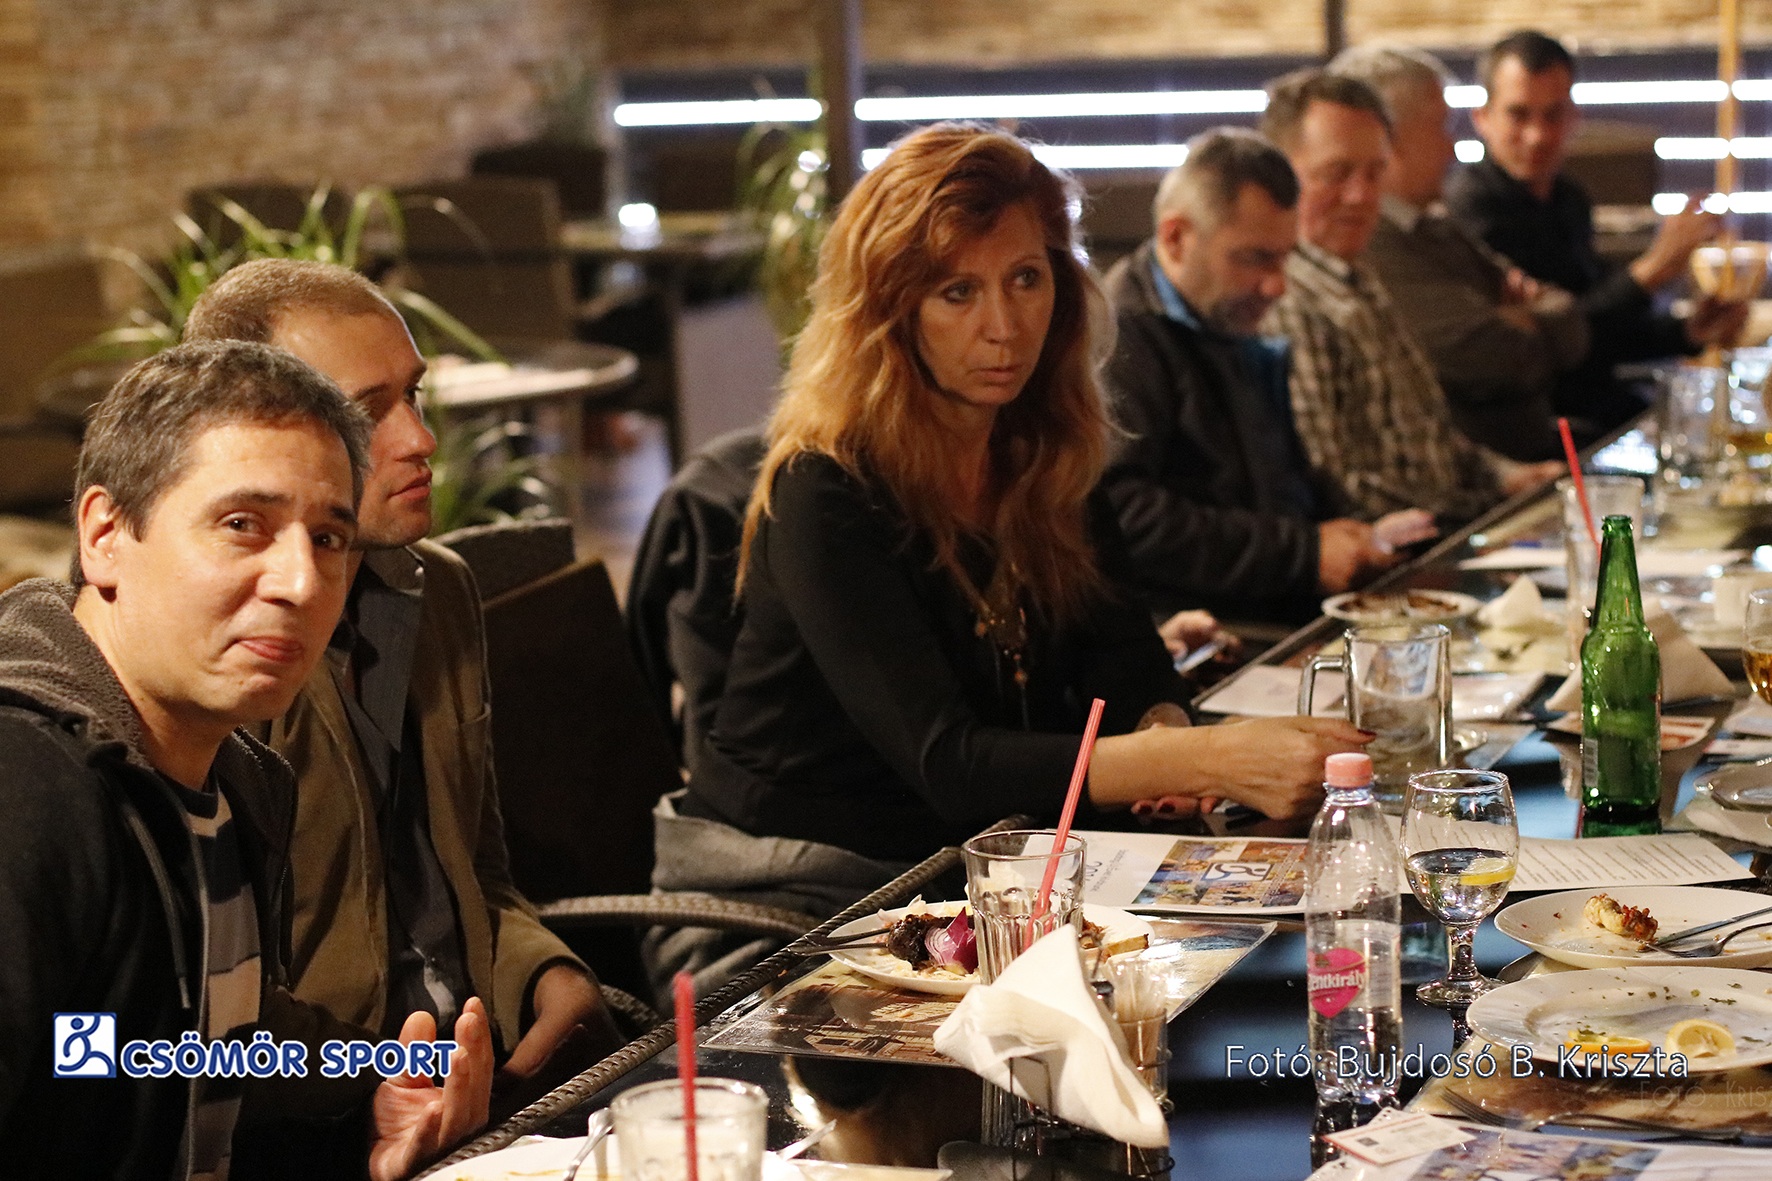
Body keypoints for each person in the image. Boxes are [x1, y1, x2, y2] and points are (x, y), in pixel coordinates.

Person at [652, 122, 1369, 989]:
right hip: (797, 903)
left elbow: (1129, 662)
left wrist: (1166, 734)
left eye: (1026, 278)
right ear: (890, 314)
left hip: (982, 879)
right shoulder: (825, 484)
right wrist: (1209, 759)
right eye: (958, 291)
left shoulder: (1042, 451)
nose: (1004, 326)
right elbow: (951, 763)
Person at [0, 341, 491, 1179]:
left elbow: (128, 1050)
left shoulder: (233, 779)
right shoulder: (32, 782)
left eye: (329, 536)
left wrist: (364, 1100)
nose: (302, 581)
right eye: (242, 525)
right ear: (105, 534)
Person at [182, 261, 620, 1092]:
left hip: (481, 1062)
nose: (420, 439)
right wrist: (388, 1077)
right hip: (333, 1102)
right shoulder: (218, 647)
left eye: (413, 395)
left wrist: (548, 975)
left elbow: (475, 874)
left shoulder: (438, 588)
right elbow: (174, 1019)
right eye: (366, 412)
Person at [1100, 126, 1429, 628]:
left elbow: (1276, 481)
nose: (1277, 286)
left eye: (1284, 257)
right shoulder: (1119, 338)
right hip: (1203, 632)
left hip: (1277, 605)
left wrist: (1359, 533)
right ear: (1176, 237)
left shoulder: (1222, 315)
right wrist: (1305, 552)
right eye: (1254, 258)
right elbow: (1122, 516)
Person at [1259, 69, 1560, 524]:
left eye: (1374, 172)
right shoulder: (1288, 302)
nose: (1360, 196)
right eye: (1336, 174)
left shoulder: (1360, 277)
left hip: (1447, 526)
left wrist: (1507, 477)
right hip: (1401, 551)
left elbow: (1427, 437)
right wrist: (1482, 509)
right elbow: (1336, 485)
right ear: (1280, 177)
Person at [1445, 29, 1745, 434]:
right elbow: (1553, 341)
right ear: (1482, 118)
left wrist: (1687, 331)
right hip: (1541, 427)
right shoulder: (1470, 208)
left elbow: (1600, 333)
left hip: (1604, 407)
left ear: (1574, 118)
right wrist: (1654, 268)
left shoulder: (1569, 198)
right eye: (1518, 115)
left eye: (1553, 115)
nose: (1537, 136)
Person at [1334, 45, 1588, 462]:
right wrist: (1522, 316)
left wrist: (1527, 316)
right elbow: (1497, 359)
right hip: (1482, 477)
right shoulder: (1372, 244)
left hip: (1528, 458)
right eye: (1440, 127)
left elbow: (1573, 322)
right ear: (1389, 140)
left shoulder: (1436, 224)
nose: (1451, 148)